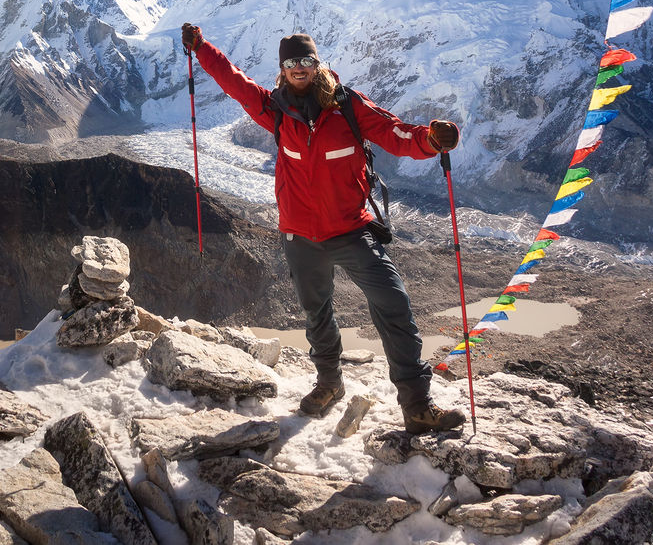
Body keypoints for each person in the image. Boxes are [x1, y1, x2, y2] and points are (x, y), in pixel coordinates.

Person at [182, 23, 466, 433]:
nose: (300, 67)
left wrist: (430, 140)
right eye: (292, 61)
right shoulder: (274, 109)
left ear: (318, 64)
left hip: (351, 228)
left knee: (393, 305)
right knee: (317, 314)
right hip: (300, 235)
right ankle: (329, 384)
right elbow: (233, 82)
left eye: (307, 59)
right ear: (282, 68)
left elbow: (394, 133)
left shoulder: (347, 106)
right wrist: (202, 48)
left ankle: (417, 405)